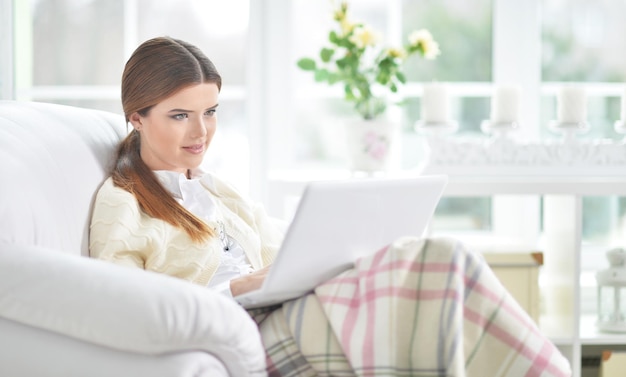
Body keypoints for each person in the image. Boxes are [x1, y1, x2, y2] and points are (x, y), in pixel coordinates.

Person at [90, 36, 571, 376]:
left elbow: (289, 259)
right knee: (440, 262)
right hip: (245, 332)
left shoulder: (221, 193)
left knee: (443, 258)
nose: (201, 133)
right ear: (136, 116)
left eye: (210, 112)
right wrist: (238, 288)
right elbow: (131, 316)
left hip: (286, 308)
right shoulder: (123, 205)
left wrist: (305, 269)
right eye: (180, 116)